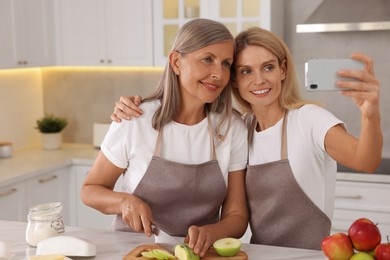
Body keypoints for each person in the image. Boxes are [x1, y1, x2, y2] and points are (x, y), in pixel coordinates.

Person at [111, 26, 383, 250]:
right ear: (234, 81)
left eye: (268, 67)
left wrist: (370, 115)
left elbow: (365, 161)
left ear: (283, 70)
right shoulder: (241, 129)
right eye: (245, 71)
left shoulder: (308, 119)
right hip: (259, 254)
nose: (259, 80)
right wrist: (137, 105)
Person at [81, 18, 249, 257]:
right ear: (176, 62)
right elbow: (90, 189)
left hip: (197, 254)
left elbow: (237, 217)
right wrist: (125, 202)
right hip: (134, 251)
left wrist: (212, 232)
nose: (218, 74)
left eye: (226, 64)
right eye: (207, 59)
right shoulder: (136, 119)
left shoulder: (232, 128)